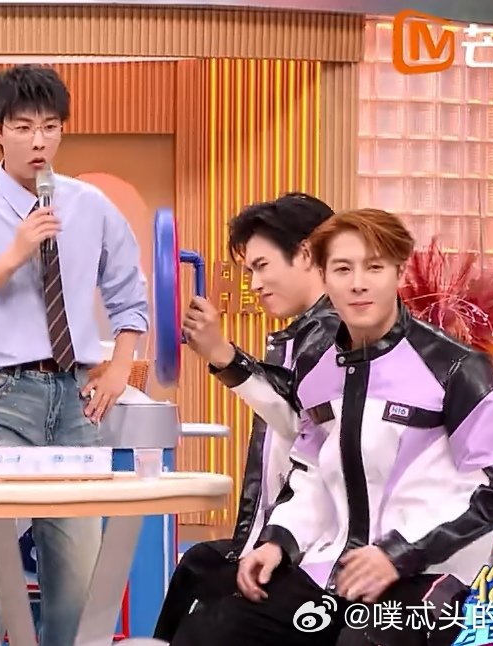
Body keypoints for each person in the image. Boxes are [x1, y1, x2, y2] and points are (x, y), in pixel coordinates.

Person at [172, 209, 493, 646]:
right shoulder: (317, 369)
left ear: (399, 271)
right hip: (332, 571)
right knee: (211, 630)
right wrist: (279, 541)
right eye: (342, 269)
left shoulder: (455, 367)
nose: (358, 283)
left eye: (374, 267)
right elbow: (309, 471)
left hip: (429, 575)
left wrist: (398, 554)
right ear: (323, 276)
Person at [0, 64, 149, 646]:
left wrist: (119, 366)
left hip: (74, 396)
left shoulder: (91, 204)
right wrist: (13, 254)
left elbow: (130, 294)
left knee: (78, 573)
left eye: (50, 127)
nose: (39, 141)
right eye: (23, 127)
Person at [153, 192, 339, 640]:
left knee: (210, 627)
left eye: (261, 266)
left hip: (323, 552)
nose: (254, 284)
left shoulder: (336, 333)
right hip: (290, 534)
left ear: (306, 254)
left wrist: (223, 356)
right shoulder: (305, 333)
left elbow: (304, 428)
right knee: (197, 565)